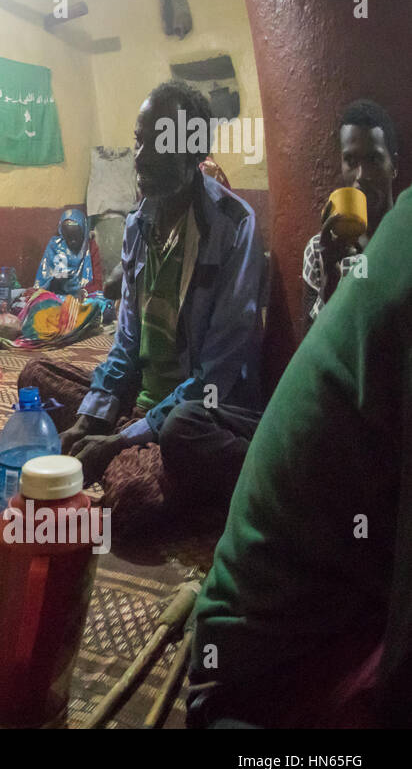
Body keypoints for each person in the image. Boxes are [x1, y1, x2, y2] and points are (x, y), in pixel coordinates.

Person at [189, 179, 412, 728]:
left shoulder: (384, 229)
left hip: (335, 570)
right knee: (184, 425)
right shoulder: (324, 247)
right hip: (262, 683)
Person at [17, 82, 267, 553]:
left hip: (201, 412)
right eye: (139, 140)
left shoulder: (233, 226)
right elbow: (127, 344)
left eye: (157, 143)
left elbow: (217, 374)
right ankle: (144, 456)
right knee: (35, 375)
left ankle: (163, 462)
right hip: (142, 402)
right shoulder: (139, 224)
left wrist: (119, 440)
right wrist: (92, 420)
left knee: (136, 496)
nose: (140, 157)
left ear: (193, 150)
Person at [302, 99, 398, 327]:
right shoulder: (320, 250)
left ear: (393, 165)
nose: (361, 174)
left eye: (374, 159)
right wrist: (331, 283)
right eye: (351, 161)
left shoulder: (405, 240)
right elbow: (311, 350)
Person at [15, 207, 108, 348]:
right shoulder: (55, 247)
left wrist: (82, 292)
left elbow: (98, 282)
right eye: (68, 237)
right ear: (61, 233)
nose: (72, 242)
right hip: (57, 296)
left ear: (84, 232)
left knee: (103, 303)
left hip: (83, 296)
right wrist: (56, 282)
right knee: (29, 303)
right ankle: (74, 322)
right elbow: (42, 282)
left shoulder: (91, 247)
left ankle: (68, 321)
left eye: (76, 237)